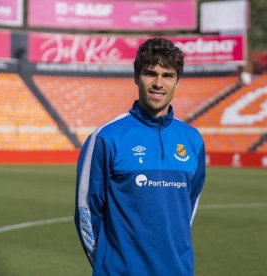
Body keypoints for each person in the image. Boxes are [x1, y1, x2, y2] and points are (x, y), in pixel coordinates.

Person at [75, 37, 206, 275]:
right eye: (150, 73)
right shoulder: (107, 137)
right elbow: (86, 209)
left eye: (167, 75)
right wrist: (106, 264)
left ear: (178, 81)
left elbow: (190, 205)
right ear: (136, 77)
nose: (158, 83)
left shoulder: (192, 139)